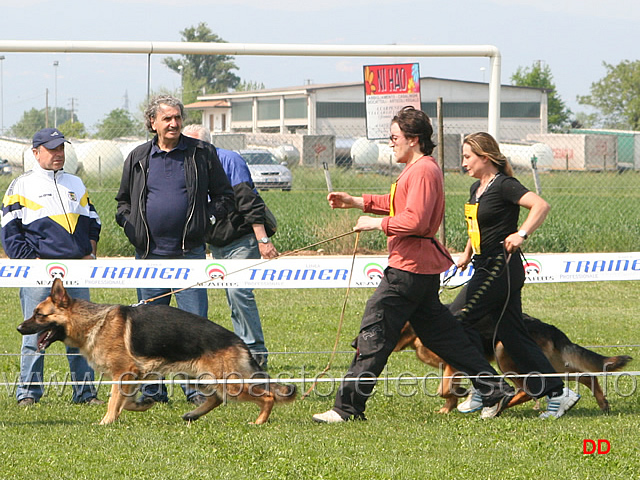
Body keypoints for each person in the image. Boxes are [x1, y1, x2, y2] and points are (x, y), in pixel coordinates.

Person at [312, 107, 515, 423]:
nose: (391, 144)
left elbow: (416, 221)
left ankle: (347, 408)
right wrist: (355, 201)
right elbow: (399, 204)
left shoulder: (422, 171)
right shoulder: (419, 169)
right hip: (418, 271)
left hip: (407, 271)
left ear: (413, 139)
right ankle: (494, 389)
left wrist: (375, 225)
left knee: (375, 332)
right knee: (444, 337)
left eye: (395, 138)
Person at [115, 95, 235, 405]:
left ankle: (195, 390)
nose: (174, 123)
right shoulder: (139, 157)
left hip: (189, 255)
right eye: (167, 118)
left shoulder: (201, 154)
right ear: (152, 122)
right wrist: (133, 229)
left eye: (177, 117)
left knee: (193, 326)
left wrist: (204, 222)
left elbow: (224, 197)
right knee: (149, 328)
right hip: (149, 257)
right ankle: (154, 391)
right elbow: (123, 203)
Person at [454, 131, 580, 419]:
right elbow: (478, 226)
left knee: (459, 322)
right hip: (483, 265)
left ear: (485, 157)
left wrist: (521, 233)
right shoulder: (477, 188)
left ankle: (485, 389)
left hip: (501, 268)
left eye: (468, 157)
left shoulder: (505, 185)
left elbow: (541, 205)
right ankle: (559, 393)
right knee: (512, 335)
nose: (463, 163)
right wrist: (467, 253)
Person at [1, 128, 103, 406]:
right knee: (35, 333)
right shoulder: (20, 186)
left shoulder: (76, 183)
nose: (59, 154)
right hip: (39, 274)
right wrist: (31, 265)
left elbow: (93, 221)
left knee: (81, 332)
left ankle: (85, 393)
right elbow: (9, 230)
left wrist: (89, 254)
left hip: (77, 272)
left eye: (62, 149)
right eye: (52, 149)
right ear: (36, 153)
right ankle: (28, 394)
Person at [182, 124, 274, 369]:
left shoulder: (229, 160)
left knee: (238, 293)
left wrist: (262, 240)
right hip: (216, 242)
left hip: (241, 239)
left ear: (205, 144)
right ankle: (238, 354)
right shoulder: (188, 164)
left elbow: (248, 201)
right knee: (231, 297)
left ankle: (255, 354)